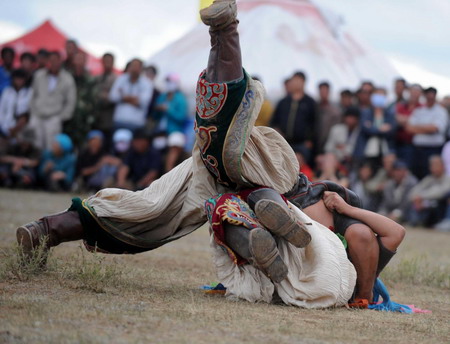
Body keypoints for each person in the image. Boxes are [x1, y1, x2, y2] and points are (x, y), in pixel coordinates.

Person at [15, 0, 403, 309]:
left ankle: (45, 230)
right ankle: (226, 34)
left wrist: (346, 216)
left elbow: (383, 234)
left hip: (270, 193)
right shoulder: (344, 261)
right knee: (214, 176)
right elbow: (382, 236)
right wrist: (360, 285)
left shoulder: (341, 252)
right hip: (281, 187)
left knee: (153, 207)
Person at [29, 51, 76, 150]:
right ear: (48, 62)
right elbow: (32, 95)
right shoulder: (39, 75)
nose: (53, 63)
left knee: (52, 146)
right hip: (37, 115)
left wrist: (61, 117)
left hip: (54, 117)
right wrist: (33, 112)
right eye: (51, 60)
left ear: (60, 61)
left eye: (56, 60)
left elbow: (71, 101)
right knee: (35, 145)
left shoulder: (67, 79)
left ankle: (47, 165)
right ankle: (35, 164)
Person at [271, 71, 316, 156]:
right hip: (283, 143)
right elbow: (274, 120)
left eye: (297, 80)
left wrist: (310, 141)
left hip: (301, 145)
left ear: (303, 82)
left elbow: (314, 123)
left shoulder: (310, 103)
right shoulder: (283, 102)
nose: (294, 83)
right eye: (293, 80)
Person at [407, 87, 448, 179]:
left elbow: (435, 128)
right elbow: (409, 128)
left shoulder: (441, 111)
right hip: (417, 150)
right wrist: (427, 128)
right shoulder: (418, 111)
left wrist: (418, 128)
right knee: (415, 174)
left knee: (430, 176)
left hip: (432, 150)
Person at [154, 73, 188, 172]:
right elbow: (155, 115)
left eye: (171, 82)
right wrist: (157, 110)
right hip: (160, 131)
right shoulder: (162, 96)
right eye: (167, 81)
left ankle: (168, 173)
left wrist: (168, 109)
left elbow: (181, 117)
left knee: (175, 143)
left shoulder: (180, 98)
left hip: (175, 130)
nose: (169, 84)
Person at [109, 58, 152, 132]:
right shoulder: (121, 79)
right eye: (133, 65)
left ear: (141, 68)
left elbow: (143, 102)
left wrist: (123, 97)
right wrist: (134, 99)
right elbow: (113, 97)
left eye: (137, 66)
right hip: (119, 121)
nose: (134, 68)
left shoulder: (147, 83)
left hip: (136, 124)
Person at [63, 52, 96, 150]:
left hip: (83, 120)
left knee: (82, 147)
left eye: (82, 59)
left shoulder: (91, 79)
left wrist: (91, 118)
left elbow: (94, 101)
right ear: (73, 60)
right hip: (67, 118)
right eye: (77, 58)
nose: (79, 61)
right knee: (65, 145)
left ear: (86, 61)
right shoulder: (66, 76)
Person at [407, 155, 450, 227]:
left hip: (438, 208)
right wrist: (416, 198)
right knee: (412, 203)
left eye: (436, 165)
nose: (434, 167)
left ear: (443, 166)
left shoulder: (447, 179)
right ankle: (414, 221)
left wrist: (421, 197)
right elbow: (414, 190)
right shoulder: (428, 179)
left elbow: (440, 193)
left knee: (432, 203)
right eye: (432, 165)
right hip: (421, 205)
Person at [360, 88, 396, 167]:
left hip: (385, 149)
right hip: (368, 149)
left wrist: (373, 128)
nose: (379, 97)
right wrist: (381, 129)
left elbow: (392, 130)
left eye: (381, 95)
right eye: (377, 95)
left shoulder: (389, 114)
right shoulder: (366, 112)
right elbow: (365, 129)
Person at [394, 84, 422, 168]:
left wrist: (405, 120)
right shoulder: (401, 106)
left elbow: (419, 123)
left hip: (413, 145)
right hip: (398, 142)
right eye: (412, 91)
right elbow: (395, 118)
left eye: (417, 92)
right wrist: (412, 120)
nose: (414, 94)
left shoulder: (422, 107)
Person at [93, 53, 117, 148]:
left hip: (108, 119)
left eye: (109, 61)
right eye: (105, 61)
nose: (107, 63)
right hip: (96, 117)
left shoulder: (116, 79)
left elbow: (113, 97)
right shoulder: (97, 78)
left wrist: (102, 96)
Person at [0, 69, 32, 139]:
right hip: (5, 125)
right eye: (17, 78)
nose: (19, 81)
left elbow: (29, 112)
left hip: (22, 126)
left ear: (25, 80)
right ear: (13, 79)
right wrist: (3, 126)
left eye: (21, 79)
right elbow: (1, 111)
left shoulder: (29, 92)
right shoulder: (7, 92)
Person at [315, 81, 341, 153]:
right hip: (315, 143)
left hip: (329, 143)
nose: (323, 93)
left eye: (325, 91)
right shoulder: (314, 108)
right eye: (321, 91)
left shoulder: (335, 111)